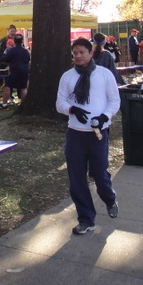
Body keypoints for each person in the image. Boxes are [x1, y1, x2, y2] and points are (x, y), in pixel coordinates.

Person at [56, 38, 120, 235]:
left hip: (97, 134)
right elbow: (60, 103)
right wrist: (72, 109)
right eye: (75, 53)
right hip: (75, 134)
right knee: (77, 179)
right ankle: (86, 219)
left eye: (82, 52)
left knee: (99, 174)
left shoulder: (104, 74)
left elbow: (115, 101)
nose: (78, 56)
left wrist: (104, 117)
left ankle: (109, 198)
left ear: (91, 53)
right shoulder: (67, 77)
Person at [2, 33, 31, 107]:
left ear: (14, 41)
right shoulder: (25, 51)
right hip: (24, 71)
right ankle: (23, 105)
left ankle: (4, 104)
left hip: (14, 71)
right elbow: (28, 60)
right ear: (22, 41)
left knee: (7, 86)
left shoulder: (12, 50)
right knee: (23, 87)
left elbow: (5, 59)